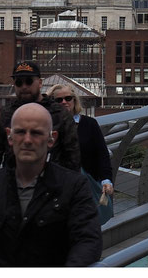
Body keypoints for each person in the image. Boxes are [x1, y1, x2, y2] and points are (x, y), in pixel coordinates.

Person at [0, 102, 102, 266]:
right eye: (20, 132)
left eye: (36, 133)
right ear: (9, 136)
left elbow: (88, 241)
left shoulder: (73, 186)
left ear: (52, 139)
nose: (27, 140)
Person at [0, 60, 80, 175]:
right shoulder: (7, 114)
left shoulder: (59, 113)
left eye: (29, 81)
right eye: (18, 83)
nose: (24, 87)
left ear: (40, 83)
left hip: (51, 183)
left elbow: (72, 154)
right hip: (13, 183)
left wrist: (69, 186)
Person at [46, 83, 114, 225]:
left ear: (74, 100)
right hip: (58, 188)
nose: (64, 102)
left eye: (68, 98)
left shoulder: (89, 124)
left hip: (86, 185)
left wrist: (106, 180)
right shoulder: (47, 126)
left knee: (85, 224)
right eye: (59, 100)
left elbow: (102, 154)